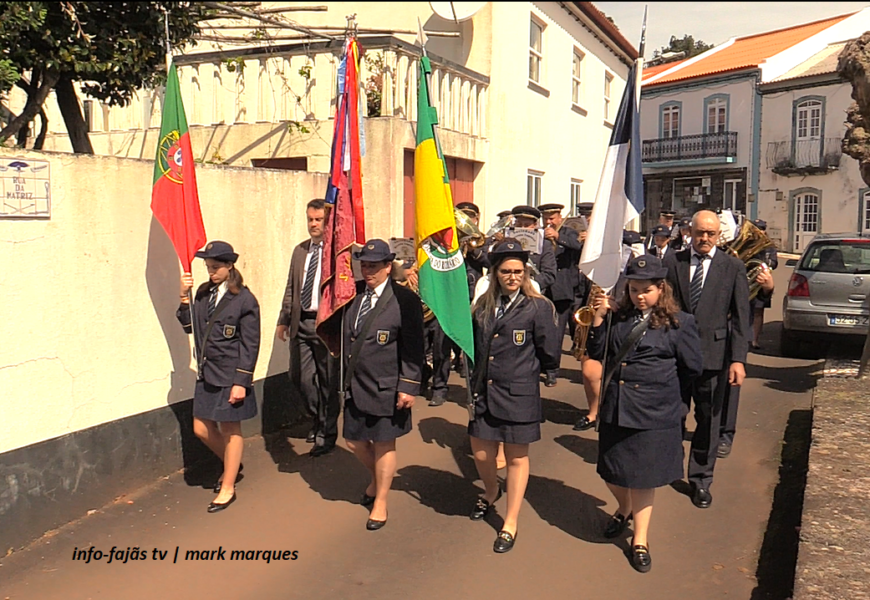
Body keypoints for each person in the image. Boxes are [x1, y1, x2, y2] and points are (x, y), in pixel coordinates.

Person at [587, 255, 702, 573]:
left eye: (646, 290)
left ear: (660, 289)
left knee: (643, 479)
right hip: (617, 408)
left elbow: (692, 367)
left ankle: (640, 539)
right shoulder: (618, 318)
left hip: (653, 412)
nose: (639, 296)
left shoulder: (680, 323)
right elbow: (598, 353)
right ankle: (623, 509)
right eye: (634, 289)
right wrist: (598, 319)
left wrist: (668, 397)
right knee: (610, 471)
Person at [467, 239, 560, 553]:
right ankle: (492, 490)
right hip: (485, 390)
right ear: (495, 273)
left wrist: (545, 371)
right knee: (481, 453)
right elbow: (475, 347)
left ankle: (510, 522)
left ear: (525, 273)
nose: (512, 277)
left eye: (518, 271)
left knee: (517, 458)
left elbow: (549, 349)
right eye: (505, 271)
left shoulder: (538, 307)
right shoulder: (481, 306)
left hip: (519, 393)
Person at [663, 210, 750, 509]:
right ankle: (669, 467)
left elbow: (741, 317)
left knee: (708, 420)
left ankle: (701, 479)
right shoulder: (672, 262)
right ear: (690, 232)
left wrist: (738, 360)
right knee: (673, 414)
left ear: (718, 236)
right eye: (700, 233)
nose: (704, 239)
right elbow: (662, 305)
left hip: (714, 357)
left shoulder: (732, 267)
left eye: (710, 234)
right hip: (675, 355)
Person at [341, 239, 425, 531]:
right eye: (364, 265)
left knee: (384, 443)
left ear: (389, 267)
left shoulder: (405, 300)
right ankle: (378, 478)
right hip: (357, 382)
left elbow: (414, 347)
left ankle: (381, 502)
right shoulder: (355, 295)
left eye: (374, 266)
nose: (368, 271)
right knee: (354, 440)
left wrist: (409, 385)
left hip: (387, 385)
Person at [177, 241, 260, 513]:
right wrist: (183, 297)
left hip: (230, 374)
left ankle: (228, 485)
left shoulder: (243, 299)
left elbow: (250, 344)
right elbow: (190, 326)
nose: (210, 272)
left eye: (215, 267)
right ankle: (231, 464)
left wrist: (241, 382)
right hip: (207, 373)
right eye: (208, 267)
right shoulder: (202, 293)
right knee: (201, 428)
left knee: (230, 429)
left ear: (229, 266)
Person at [276, 199, 339, 457]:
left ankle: (326, 433)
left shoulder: (338, 252)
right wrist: (283, 318)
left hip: (326, 325)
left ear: (327, 222)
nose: (313, 224)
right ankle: (318, 416)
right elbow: (292, 287)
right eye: (310, 219)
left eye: (318, 220)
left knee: (328, 380)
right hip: (300, 323)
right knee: (299, 377)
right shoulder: (300, 251)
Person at [718, 264, 775, 458]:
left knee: (730, 384)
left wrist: (768, 287)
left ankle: (725, 433)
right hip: (697, 327)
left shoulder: (752, 257)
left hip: (732, 327)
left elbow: (758, 293)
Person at [511, 205, 557, 386]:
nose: (522, 227)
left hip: (533, 297)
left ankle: (550, 369)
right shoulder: (507, 243)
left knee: (542, 334)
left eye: (526, 224)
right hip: (511, 296)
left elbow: (550, 274)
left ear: (535, 226)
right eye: (519, 223)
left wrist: (530, 285)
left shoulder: (544, 245)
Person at [748, 219, 778, 349]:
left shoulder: (769, 246)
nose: (759, 231)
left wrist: (765, 265)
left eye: (761, 228)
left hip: (762, 281)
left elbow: (774, 262)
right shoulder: (747, 243)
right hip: (745, 279)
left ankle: (754, 340)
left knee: (758, 311)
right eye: (757, 228)